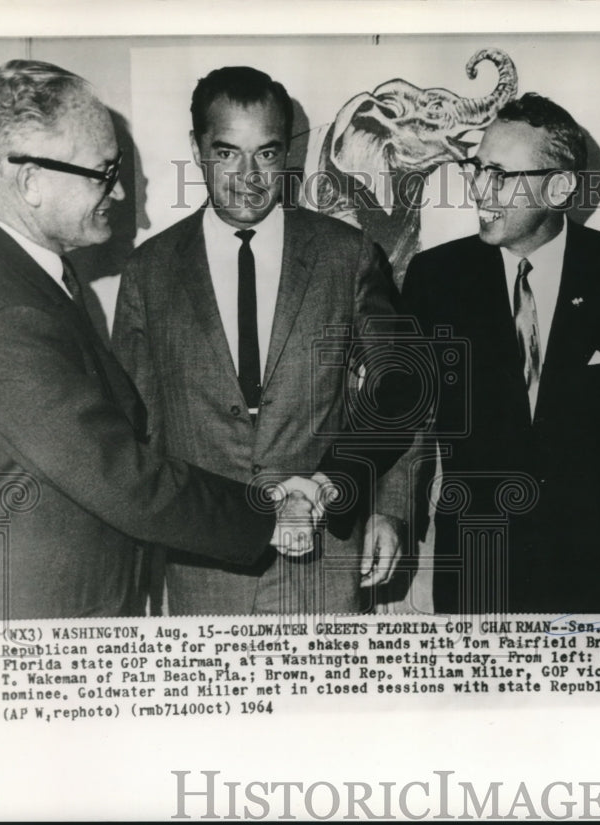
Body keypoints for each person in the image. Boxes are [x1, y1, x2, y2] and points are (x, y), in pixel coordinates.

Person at [0, 59, 292, 623]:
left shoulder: (11, 272)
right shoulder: (6, 312)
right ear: (30, 181)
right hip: (33, 629)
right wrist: (270, 516)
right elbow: (119, 475)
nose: (119, 192)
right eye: (102, 172)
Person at [113, 66, 417, 615]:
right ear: (197, 147)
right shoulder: (149, 272)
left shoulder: (345, 255)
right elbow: (137, 431)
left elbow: (402, 394)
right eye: (228, 153)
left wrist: (389, 510)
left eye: (268, 154)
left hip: (324, 556)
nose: (250, 176)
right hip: (202, 567)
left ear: (290, 153)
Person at [401, 93, 600, 614]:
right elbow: (399, 417)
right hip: (477, 573)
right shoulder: (435, 279)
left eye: (501, 176)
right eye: (476, 168)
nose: (479, 190)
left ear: (559, 188)